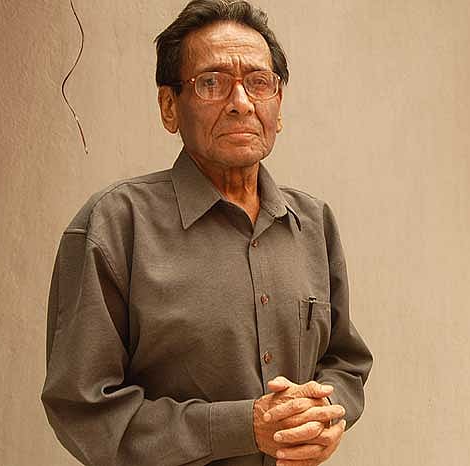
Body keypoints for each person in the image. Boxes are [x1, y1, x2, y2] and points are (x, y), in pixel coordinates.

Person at [41, 1, 373, 465]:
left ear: (278, 106)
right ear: (169, 107)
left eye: (259, 82)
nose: (241, 102)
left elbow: (346, 362)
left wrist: (323, 413)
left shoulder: (313, 223)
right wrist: (243, 427)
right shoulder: (115, 225)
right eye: (212, 83)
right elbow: (84, 409)